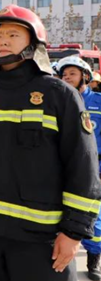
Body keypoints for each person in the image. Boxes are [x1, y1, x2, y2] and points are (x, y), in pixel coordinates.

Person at [0, 5, 101, 281]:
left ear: (33, 44)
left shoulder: (59, 95)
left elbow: (83, 167)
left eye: (13, 34)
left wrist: (74, 231)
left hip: (41, 239)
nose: (3, 40)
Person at [56, 55, 101, 280]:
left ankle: (94, 260)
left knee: (94, 219)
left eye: (72, 74)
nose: (67, 78)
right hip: (63, 169)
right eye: (64, 75)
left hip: (95, 170)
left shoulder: (98, 102)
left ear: (85, 76)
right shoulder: (58, 101)